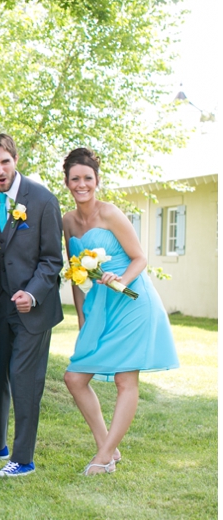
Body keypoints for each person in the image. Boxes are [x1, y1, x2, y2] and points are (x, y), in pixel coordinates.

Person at [61, 148, 179, 475]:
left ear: (97, 181)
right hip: (100, 307)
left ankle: (104, 457)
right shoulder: (67, 221)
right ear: (67, 182)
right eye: (75, 179)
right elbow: (75, 272)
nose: (81, 184)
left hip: (132, 300)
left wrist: (121, 279)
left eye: (87, 178)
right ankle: (108, 447)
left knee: (126, 380)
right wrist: (83, 318)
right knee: (74, 377)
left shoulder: (110, 213)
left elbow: (140, 257)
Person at [0, 133, 64, 477]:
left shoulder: (42, 200)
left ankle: (23, 458)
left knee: (24, 380)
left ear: (15, 159)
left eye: (4, 162)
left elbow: (52, 260)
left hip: (33, 309)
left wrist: (33, 293)